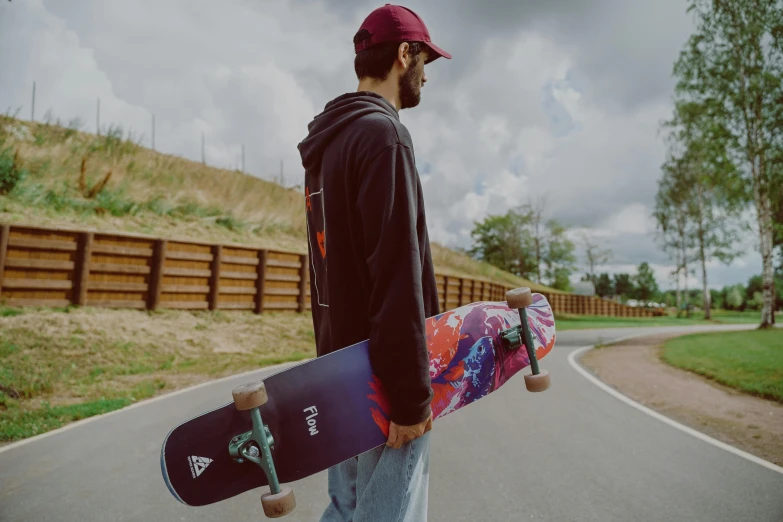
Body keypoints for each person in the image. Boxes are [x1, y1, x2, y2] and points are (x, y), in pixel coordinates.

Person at [296, 4, 451, 521]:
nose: (425, 75)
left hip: (337, 373)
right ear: (403, 55)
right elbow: (394, 273)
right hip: (381, 383)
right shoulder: (383, 136)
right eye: (424, 61)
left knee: (345, 510)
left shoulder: (328, 143)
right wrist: (409, 400)